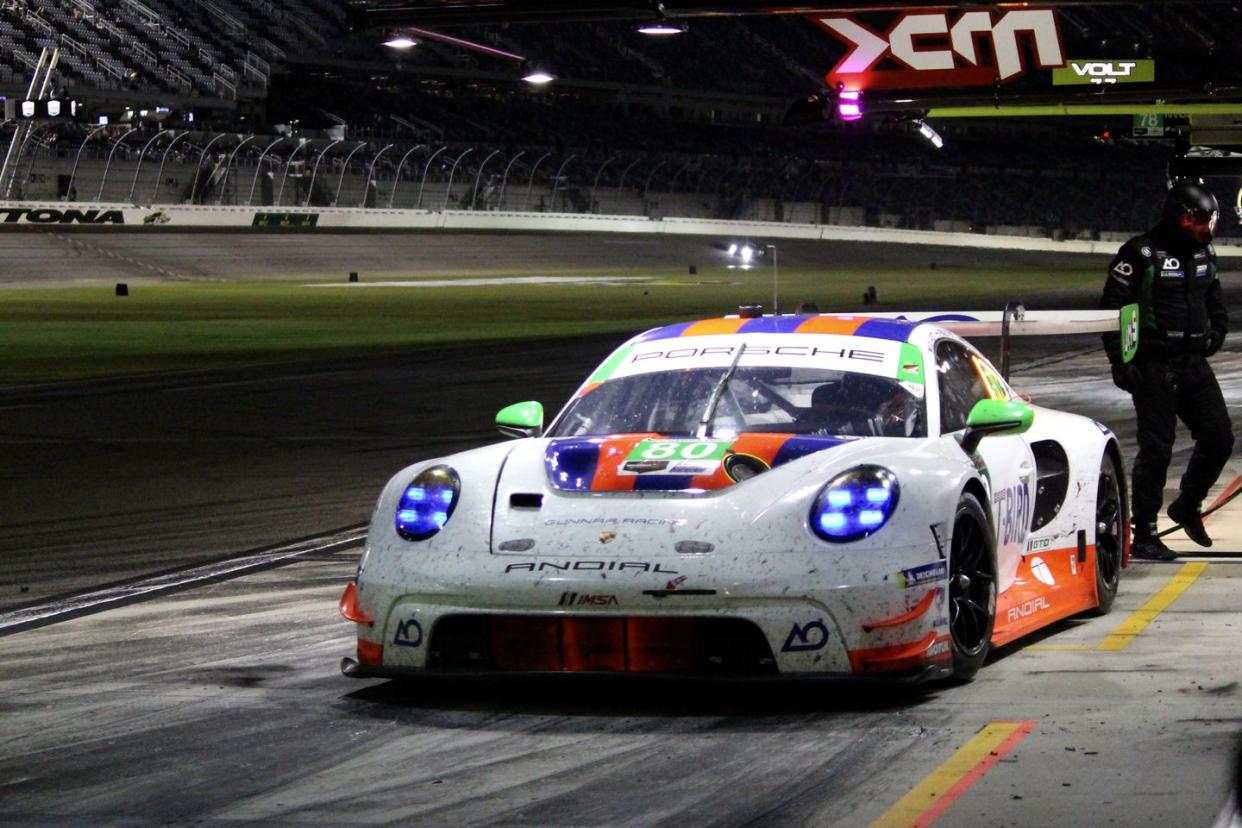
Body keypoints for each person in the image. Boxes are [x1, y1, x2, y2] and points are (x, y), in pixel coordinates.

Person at [1100, 180, 1233, 560]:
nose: (1202, 228)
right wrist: (1120, 363)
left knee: (1219, 437)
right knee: (1157, 448)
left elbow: (1216, 302)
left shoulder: (1206, 255)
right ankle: (1144, 532)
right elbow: (1112, 310)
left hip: (1193, 363)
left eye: (1207, 220)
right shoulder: (1139, 253)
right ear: (1177, 217)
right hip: (1152, 364)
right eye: (1196, 220)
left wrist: (1217, 332)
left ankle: (1187, 504)